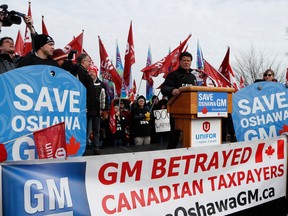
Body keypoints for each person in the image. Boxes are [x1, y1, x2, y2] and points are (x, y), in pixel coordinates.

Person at [161, 51, 197, 149]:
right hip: (177, 111)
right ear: (180, 62)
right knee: (174, 136)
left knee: (192, 135)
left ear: (191, 62)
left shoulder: (193, 77)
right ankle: (170, 154)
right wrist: (172, 90)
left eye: (188, 61)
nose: (186, 63)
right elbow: (164, 88)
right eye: (184, 60)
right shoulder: (173, 75)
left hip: (191, 110)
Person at [76, 53, 100, 155]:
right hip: (86, 108)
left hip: (93, 108)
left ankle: (94, 146)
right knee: (86, 129)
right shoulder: (80, 73)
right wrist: (83, 105)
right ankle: (83, 149)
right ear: (83, 62)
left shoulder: (85, 73)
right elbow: (80, 90)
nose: (89, 63)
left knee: (93, 129)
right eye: (88, 61)